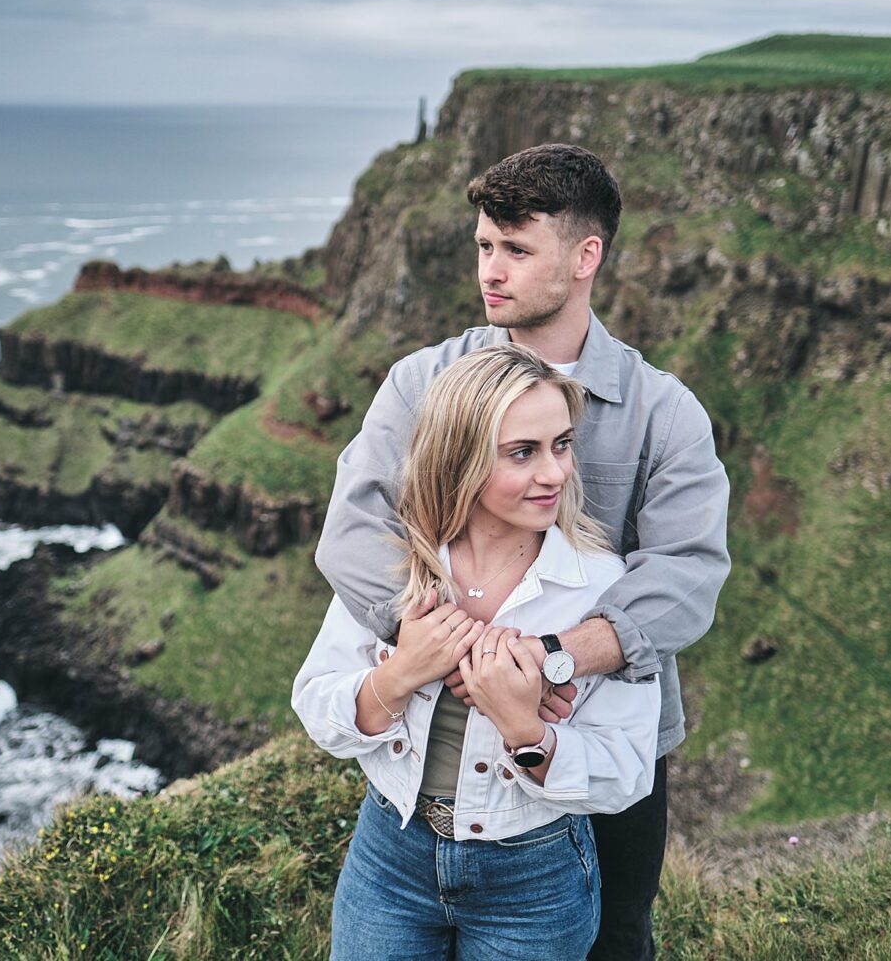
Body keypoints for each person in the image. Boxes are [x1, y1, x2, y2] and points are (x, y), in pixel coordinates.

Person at [313, 143, 731, 960]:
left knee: (615, 939)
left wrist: (551, 661)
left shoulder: (664, 412)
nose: (490, 270)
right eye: (483, 246)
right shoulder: (421, 383)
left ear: (585, 257)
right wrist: (440, 643)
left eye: (516, 248)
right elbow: (356, 527)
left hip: (603, 730)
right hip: (434, 733)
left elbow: (687, 574)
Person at [293, 343, 661, 960]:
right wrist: (401, 674)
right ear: (460, 457)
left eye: (562, 445)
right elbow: (314, 700)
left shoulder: (603, 587)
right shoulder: (399, 567)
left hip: (535, 877)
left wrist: (525, 729)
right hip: (391, 853)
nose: (556, 473)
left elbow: (626, 771)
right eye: (524, 452)